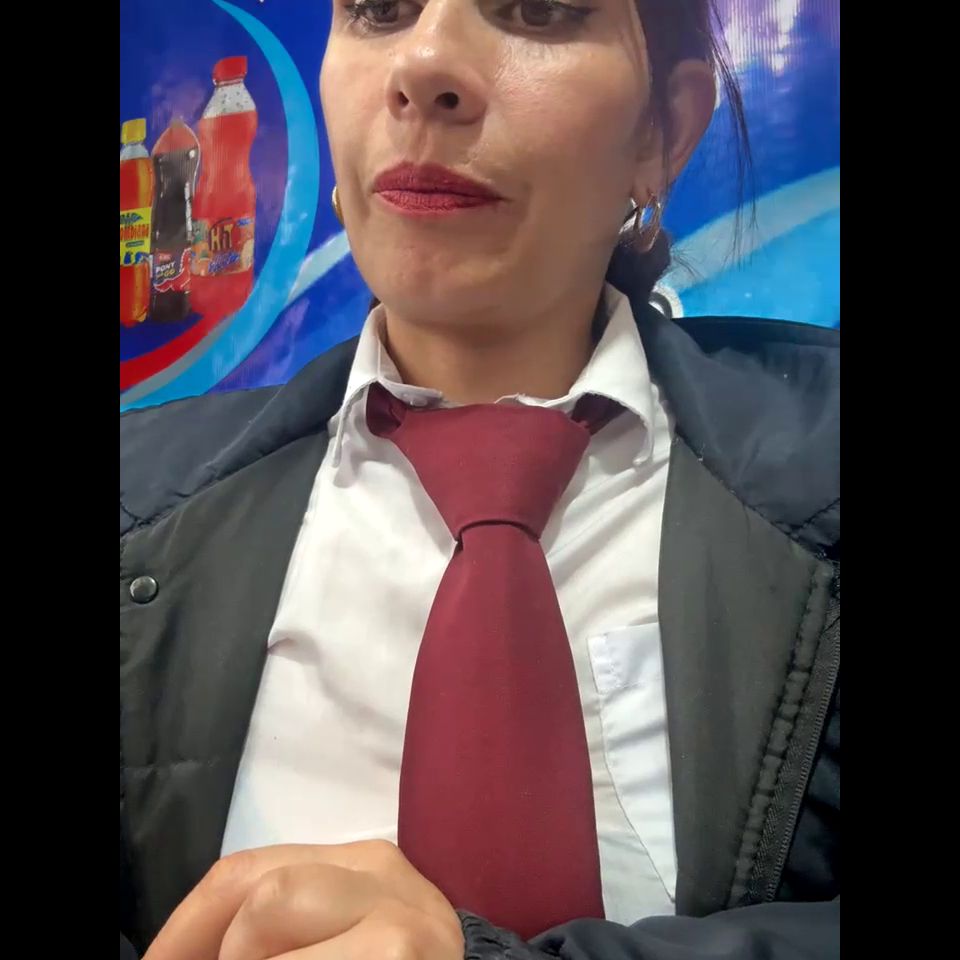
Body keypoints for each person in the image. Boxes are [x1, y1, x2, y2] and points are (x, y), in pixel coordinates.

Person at [119, 1, 840, 957]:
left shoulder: (818, 467)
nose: (422, 65)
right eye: (379, 9)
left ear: (663, 132)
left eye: (536, 9)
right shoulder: (138, 498)